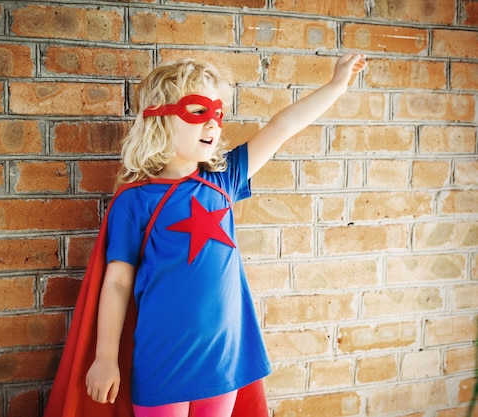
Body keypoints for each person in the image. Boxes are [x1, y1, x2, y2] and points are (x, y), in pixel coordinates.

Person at [44, 52, 366, 417]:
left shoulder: (223, 181)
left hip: (222, 360)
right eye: (198, 112)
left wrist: (336, 86)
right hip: (163, 359)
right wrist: (105, 357)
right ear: (159, 119)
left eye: (217, 114)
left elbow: (281, 127)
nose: (213, 123)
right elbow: (117, 283)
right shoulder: (135, 202)